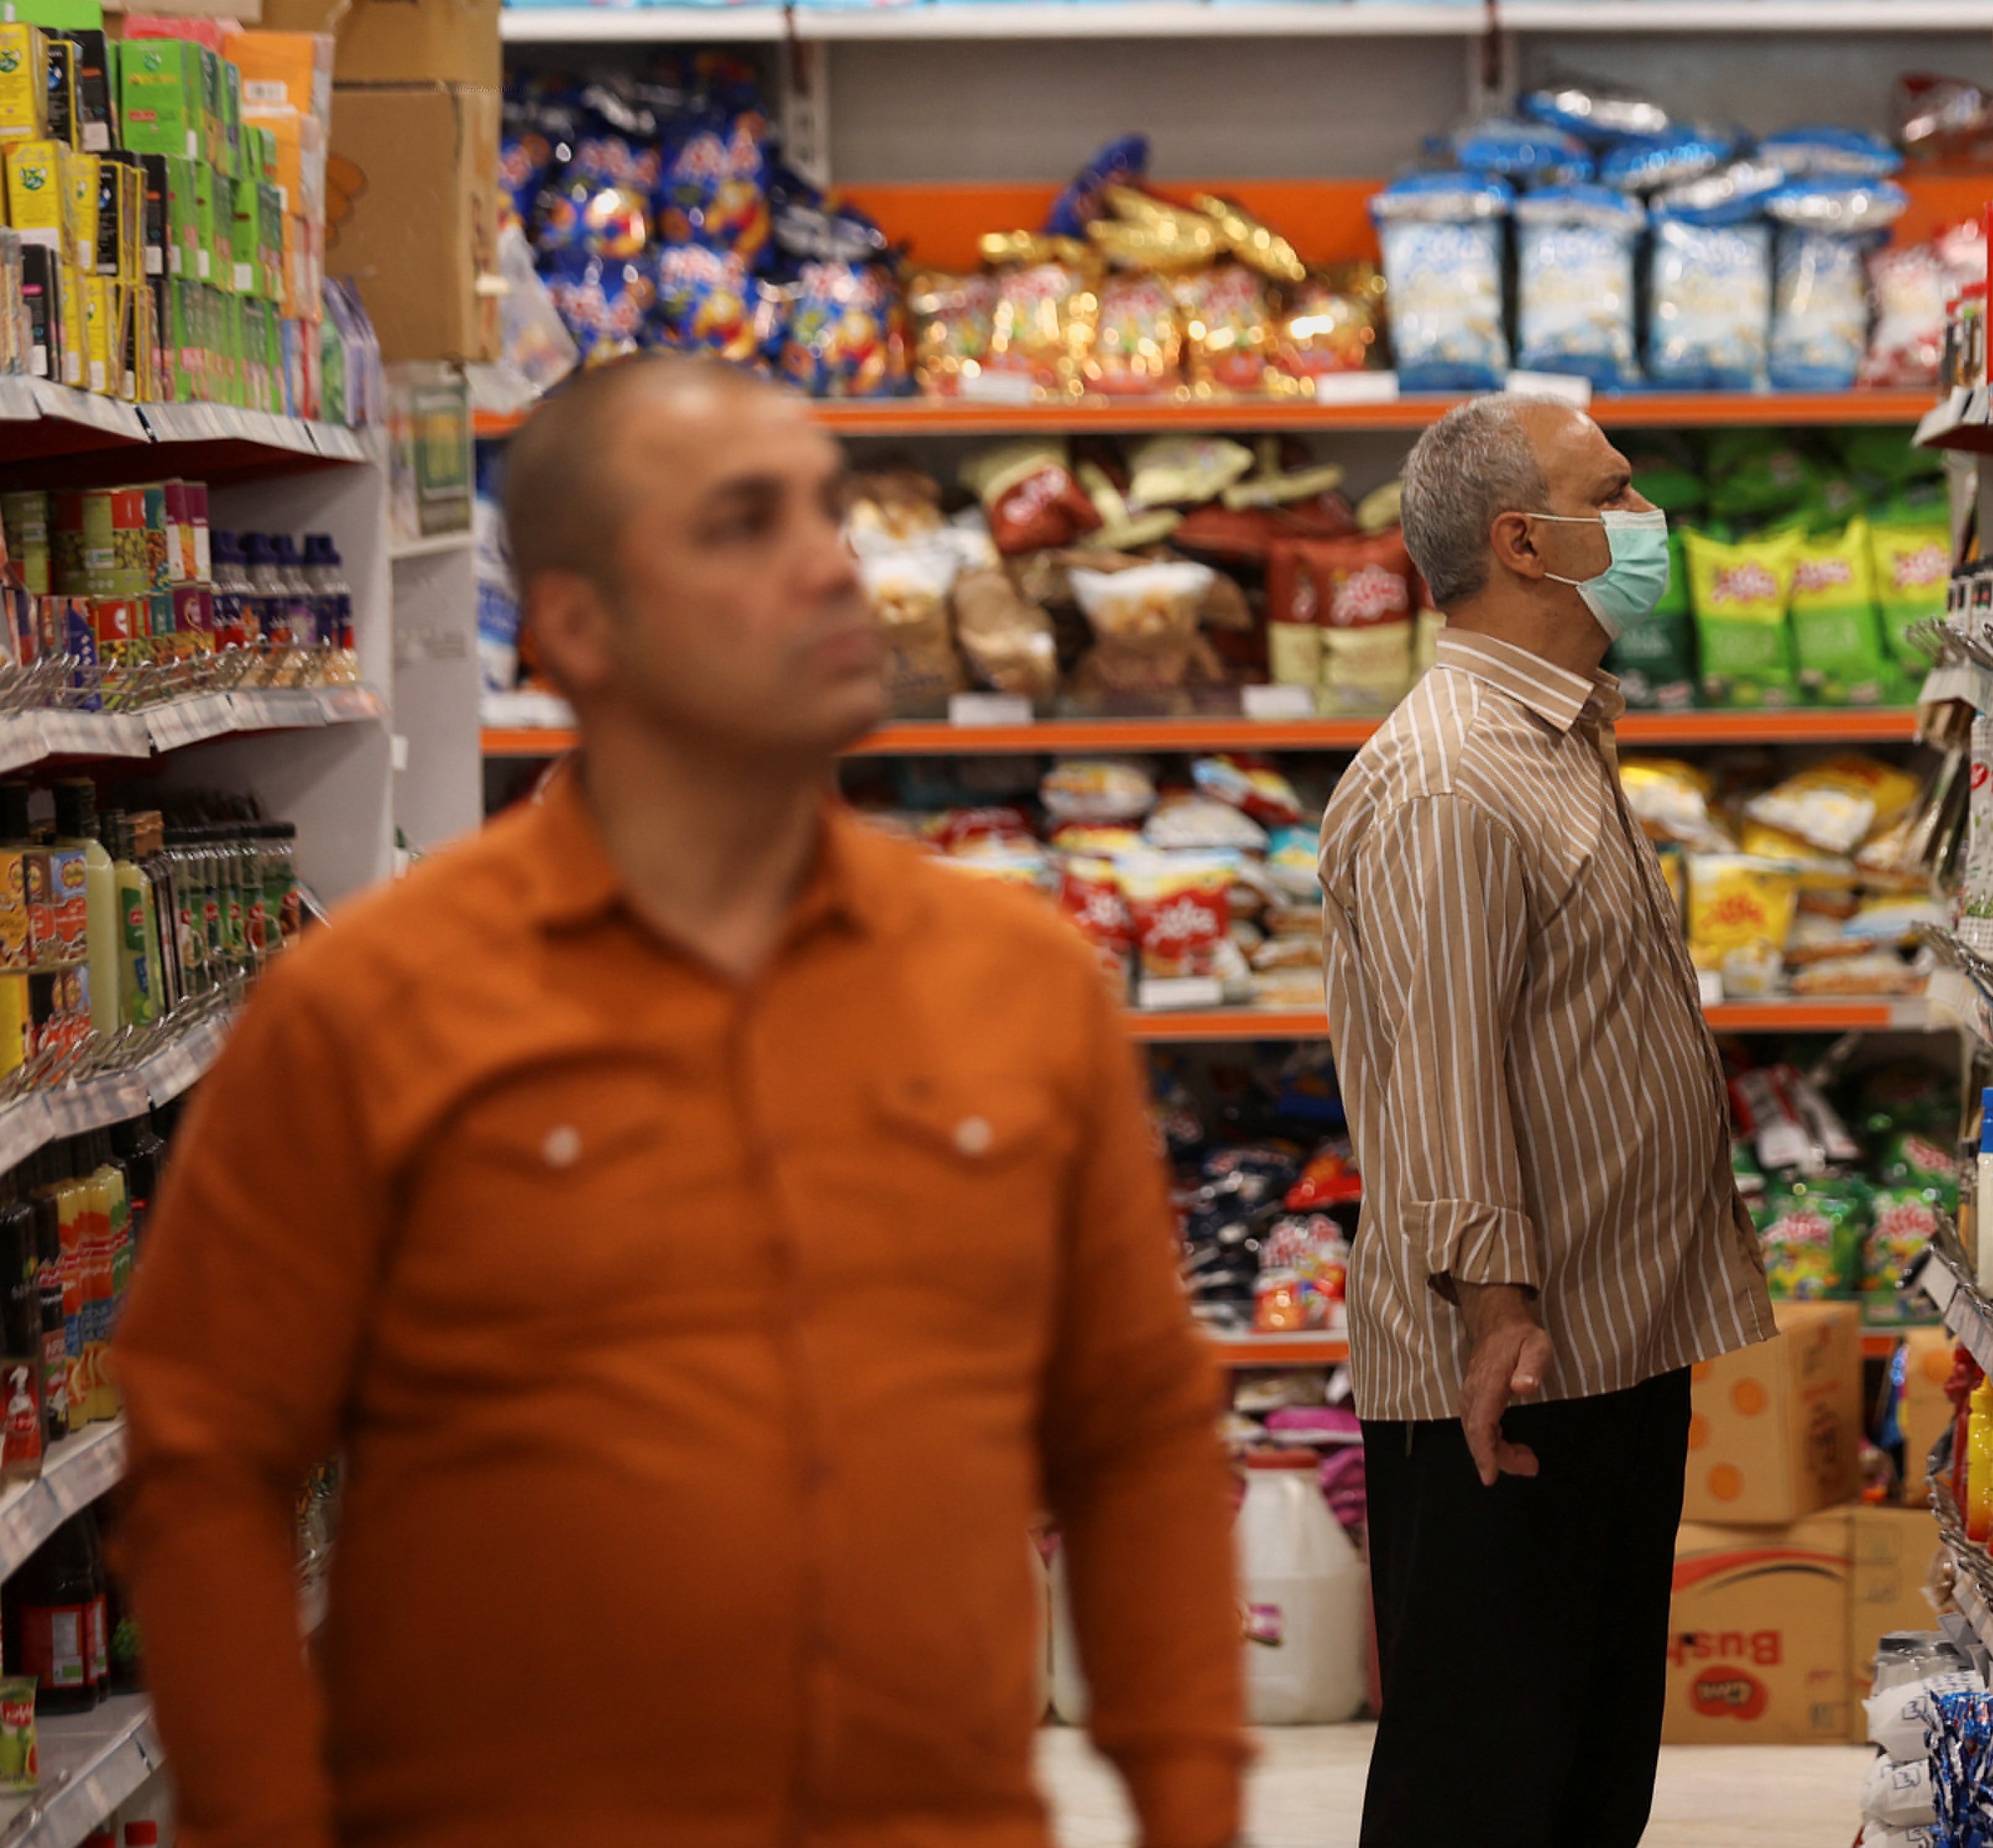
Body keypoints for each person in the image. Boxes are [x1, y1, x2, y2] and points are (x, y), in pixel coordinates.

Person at [113, 355, 1248, 1848]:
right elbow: (206, 1461)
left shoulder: (1020, 984)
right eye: (743, 524)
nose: (837, 567)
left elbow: (1138, 1435)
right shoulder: (373, 1005)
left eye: (833, 514)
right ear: (582, 627)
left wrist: (1191, 1810)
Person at [1321, 393, 1773, 1848]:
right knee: (1486, 1780)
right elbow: (1442, 1078)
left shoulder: (1554, 735)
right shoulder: (1452, 773)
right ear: (1527, 541)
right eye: (1620, 494)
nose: (1651, 525)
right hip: (1513, 1369)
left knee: (1582, 1770)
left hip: (1613, 1335)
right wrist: (1497, 1317)